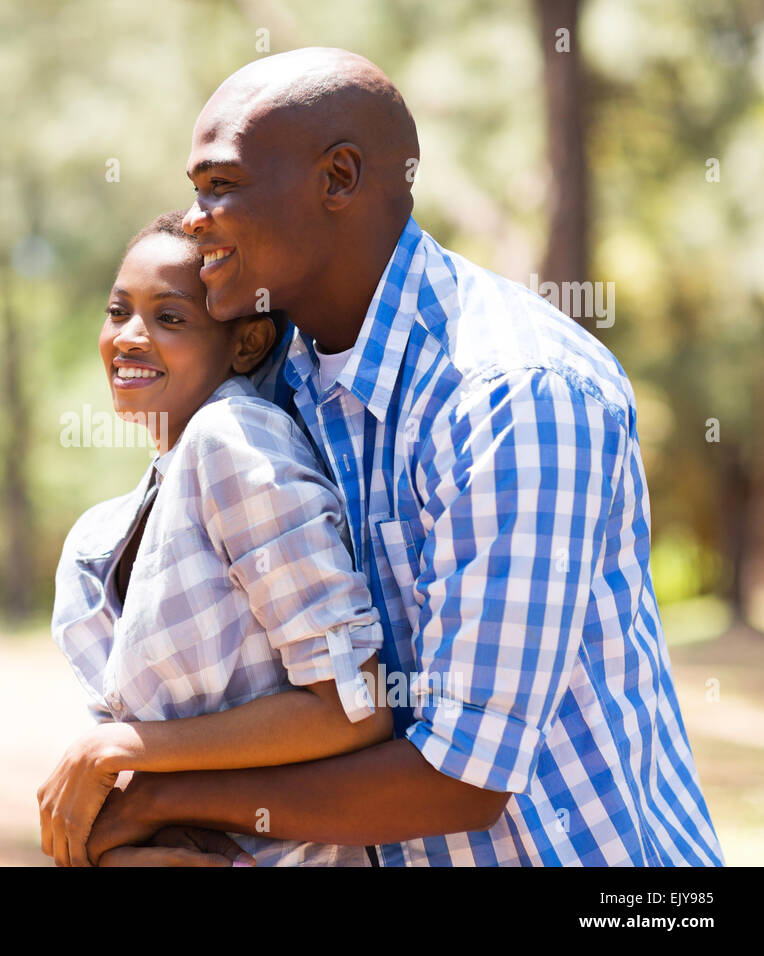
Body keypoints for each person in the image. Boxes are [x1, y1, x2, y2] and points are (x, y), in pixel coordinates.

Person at [80, 48, 724, 866]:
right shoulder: (286, 382)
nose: (195, 217)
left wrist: (157, 788)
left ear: (339, 178)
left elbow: (466, 778)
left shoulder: (512, 394)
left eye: (222, 184)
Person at [40, 211, 393, 867]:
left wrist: (122, 750)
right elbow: (121, 787)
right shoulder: (98, 539)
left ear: (248, 343)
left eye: (169, 318)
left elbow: (357, 705)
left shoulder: (232, 441)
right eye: (119, 312)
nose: (130, 338)